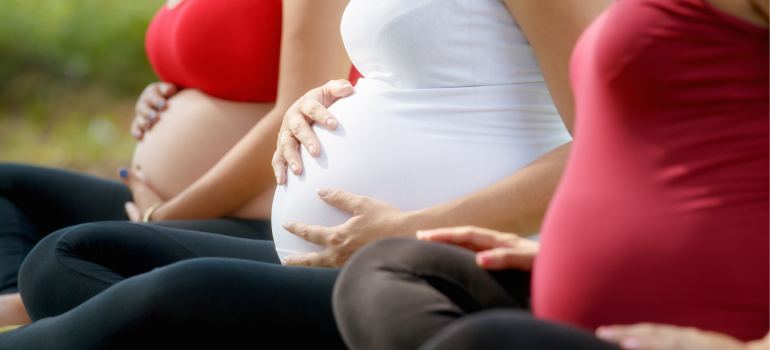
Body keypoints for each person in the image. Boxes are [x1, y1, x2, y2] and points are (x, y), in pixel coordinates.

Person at [0, 0, 611, 348]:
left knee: (176, 296)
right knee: (67, 260)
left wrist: (412, 227)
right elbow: (420, 78)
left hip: (422, 264)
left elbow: (606, 152)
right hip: (330, 248)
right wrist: (316, 102)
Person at [331, 0, 770, 349]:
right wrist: (566, 254)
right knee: (387, 272)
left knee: (486, 342)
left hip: (707, 323)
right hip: (590, 306)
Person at [0, 0, 354, 327]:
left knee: (57, 263)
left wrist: (164, 216)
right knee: (8, 188)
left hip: (259, 217)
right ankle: (50, 308)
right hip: (164, 205)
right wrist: (171, 92)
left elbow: (303, 109)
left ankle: (34, 309)